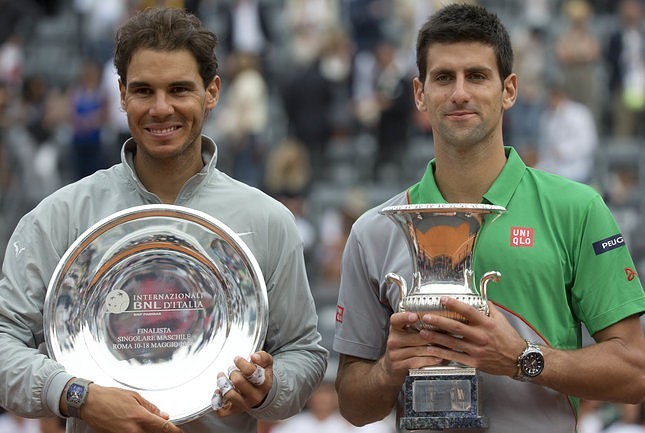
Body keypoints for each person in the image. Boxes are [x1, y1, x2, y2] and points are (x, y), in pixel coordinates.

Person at [0, 7, 327, 433]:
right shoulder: (61, 215)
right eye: (142, 91)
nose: (160, 108)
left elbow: (304, 351)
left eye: (179, 89)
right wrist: (79, 396)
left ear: (212, 92)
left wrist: (267, 387)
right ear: (120, 94)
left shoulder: (266, 219)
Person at [333, 4, 645, 433]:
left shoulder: (578, 208)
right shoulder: (374, 231)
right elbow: (353, 404)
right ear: (420, 94)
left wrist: (521, 359)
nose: (459, 92)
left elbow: (636, 372)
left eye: (477, 76)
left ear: (509, 90)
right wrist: (389, 367)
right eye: (443, 77)